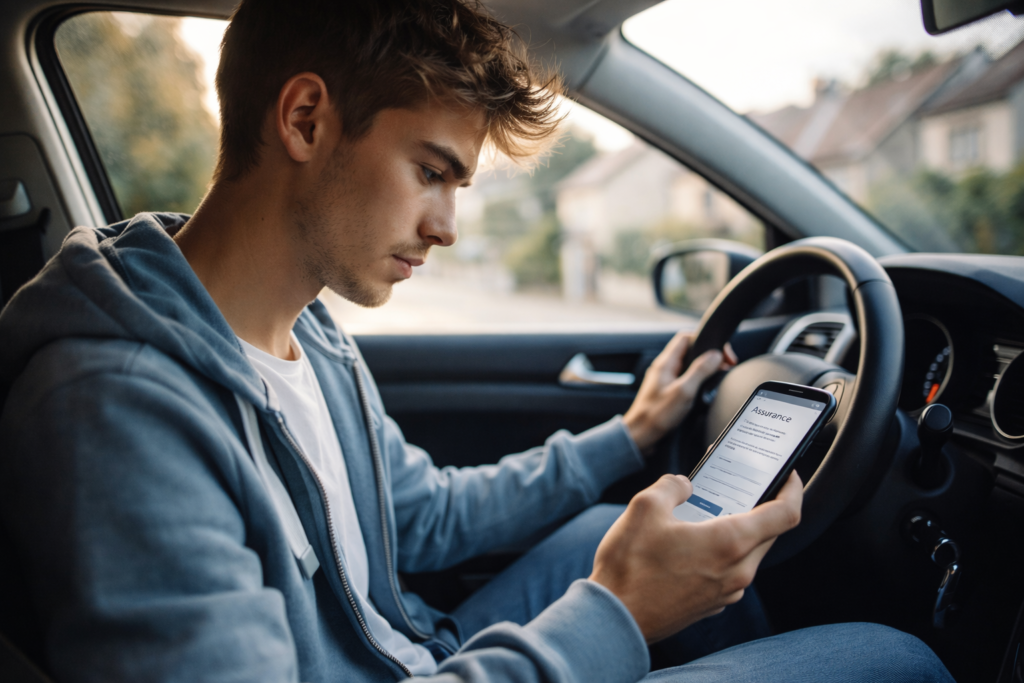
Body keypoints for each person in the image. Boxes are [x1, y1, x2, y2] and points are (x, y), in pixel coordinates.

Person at [0, 0, 954, 681]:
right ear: (305, 119)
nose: (447, 227)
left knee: (626, 531)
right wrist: (616, 613)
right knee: (895, 659)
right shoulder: (115, 411)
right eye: (431, 172)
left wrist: (627, 436)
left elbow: (424, 517)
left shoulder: (305, 330)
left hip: (414, 649)